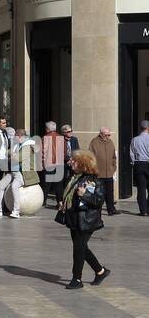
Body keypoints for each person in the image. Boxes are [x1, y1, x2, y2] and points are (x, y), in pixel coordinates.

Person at [58, 151, 110, 289]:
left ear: (83, 164)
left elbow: (98, 201)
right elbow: (70, 195)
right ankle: (101, 271)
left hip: (87, 220)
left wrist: (84, 194)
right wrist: (64, 202)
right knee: (82, 248)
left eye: (74, 161)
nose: (71, 162)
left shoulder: (93, 180)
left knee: (78, 249)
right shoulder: (74, 177)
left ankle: (77, 279)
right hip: (74, 218)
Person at [88, 127, 118, 216]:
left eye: (109, 135)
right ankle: (97, 210)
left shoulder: (110, 142)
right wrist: (94, 169)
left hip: (109, 172)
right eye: (106, 135)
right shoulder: (94, 142)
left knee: (110, 192)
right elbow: (90, 157)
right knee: (99, 193)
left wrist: (113, 167)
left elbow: (113, 157)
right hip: (98, 173)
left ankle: (111, 209)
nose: (108, 136)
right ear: (101, 134)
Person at [41, 122, 65, 207]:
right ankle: (60, 202)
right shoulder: (61, 137)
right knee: (59, 185)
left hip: (49, 164)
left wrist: (42, 163)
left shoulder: (46, 137)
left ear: (48, 129)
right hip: (59, 164)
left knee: (46, 184)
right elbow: (64, 151)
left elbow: (43, 152)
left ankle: (43, 201)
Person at [129, 118, 149, 216]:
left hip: (139, 164)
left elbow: (131, 154)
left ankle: (143, 211)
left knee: (141, 189)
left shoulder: (135, 139)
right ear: (148, 128)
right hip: (147, 163)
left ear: (141, 128)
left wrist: (134, 163)